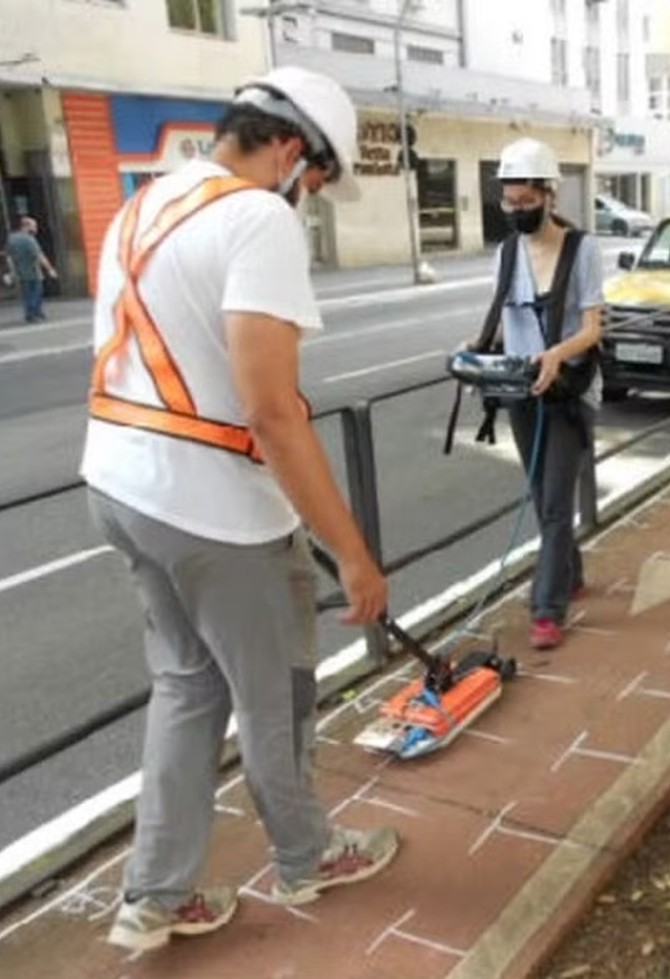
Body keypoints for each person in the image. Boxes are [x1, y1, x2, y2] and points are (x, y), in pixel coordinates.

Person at [80, 66, 399, 952]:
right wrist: (355, 553)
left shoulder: (148, 202)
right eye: (323, 181)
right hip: (214, 512)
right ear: (294, 151)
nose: (314, 200)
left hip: (120, 482)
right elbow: (271, 410)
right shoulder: (257, 217)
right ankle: (307, 857)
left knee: (187, 686)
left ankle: (157, 894)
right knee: (278, 698)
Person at [489, 137, 604, 650]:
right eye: (509, 203)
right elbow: (499, 315)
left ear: (549, 196)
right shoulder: (507, 252)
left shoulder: (583, 249)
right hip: (521, 390)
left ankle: (546, 608)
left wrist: (557, 354)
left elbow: (594, 327)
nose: (517, 212)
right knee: (543, 497)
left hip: (567, 391)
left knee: (556, 501)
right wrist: (474, 349)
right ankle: (570, 574)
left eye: (526, 203)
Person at [5, 215, 57, 322]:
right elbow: (39, 256)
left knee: (26, 294)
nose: (36, 228)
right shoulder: (29, 240)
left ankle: (30, 314)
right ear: (26, 226)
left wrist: (11, 271)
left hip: (20, 272)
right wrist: (50, 269)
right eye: (34, 226)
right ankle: (35, 313)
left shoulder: (12, 238)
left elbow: (9, 257)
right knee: (36, 293)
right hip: (33, 271)